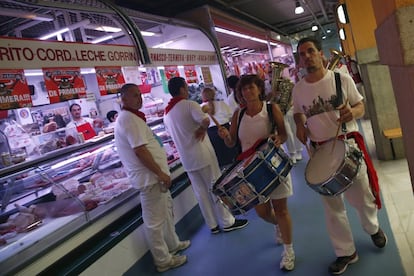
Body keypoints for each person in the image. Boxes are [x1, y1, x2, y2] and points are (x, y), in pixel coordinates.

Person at [292, 37, 386, 275]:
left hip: (348, 146)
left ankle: (372, 228)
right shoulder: (298, 89)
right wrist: (300, 125)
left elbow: (360, 106)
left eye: (311, 51)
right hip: (320, 151)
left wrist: (351, 112)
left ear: (320, 54)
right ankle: (345, 252)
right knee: (332, 208)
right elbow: (297, 113)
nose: (307, 57)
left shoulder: (340, 78)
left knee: (362, 197)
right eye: (302, 54)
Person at [218, 74, 296, 271]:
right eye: (243, 89)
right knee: (262, 213)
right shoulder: (239, 114)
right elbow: (232, 143)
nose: (247, 92)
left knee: (281, 210)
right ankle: (277, 225)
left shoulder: (271, 109)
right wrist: (226, 136)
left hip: (272, 165)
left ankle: (289, 252)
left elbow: (284, 134)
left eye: (251, 88)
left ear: (260, 89)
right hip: (249, 172)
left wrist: (279, 138)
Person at [114, 83, 190, 273]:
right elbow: (140, 151)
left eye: (140, 94)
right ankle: (163, 260)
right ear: (123, 99)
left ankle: (173, 244)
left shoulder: (133, 117)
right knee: (154, 223)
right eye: (134, 95)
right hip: (150, 179)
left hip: (154, 178)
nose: (139, 98)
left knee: (165, 214)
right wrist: (160, 172)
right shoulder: (129, 119)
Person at [163, 77, 248, 235]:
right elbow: (205, 120)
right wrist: (202, 129)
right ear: (182, 89)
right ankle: (227, 221)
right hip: (202, 154)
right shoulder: (189, 104)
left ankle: (212, 224)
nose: (188, 89)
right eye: (186, 87)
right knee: (215, 186)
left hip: (187, 160)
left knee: (200, 192)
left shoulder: (167, 114)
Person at [200, 87, 239, 168]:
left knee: (219, 157)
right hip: (225, 129)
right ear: (214, 94)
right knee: (231, 153)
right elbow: (232, 117)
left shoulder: (201, 108)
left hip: (211, 134)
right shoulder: (222, 104)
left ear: (203, 96)